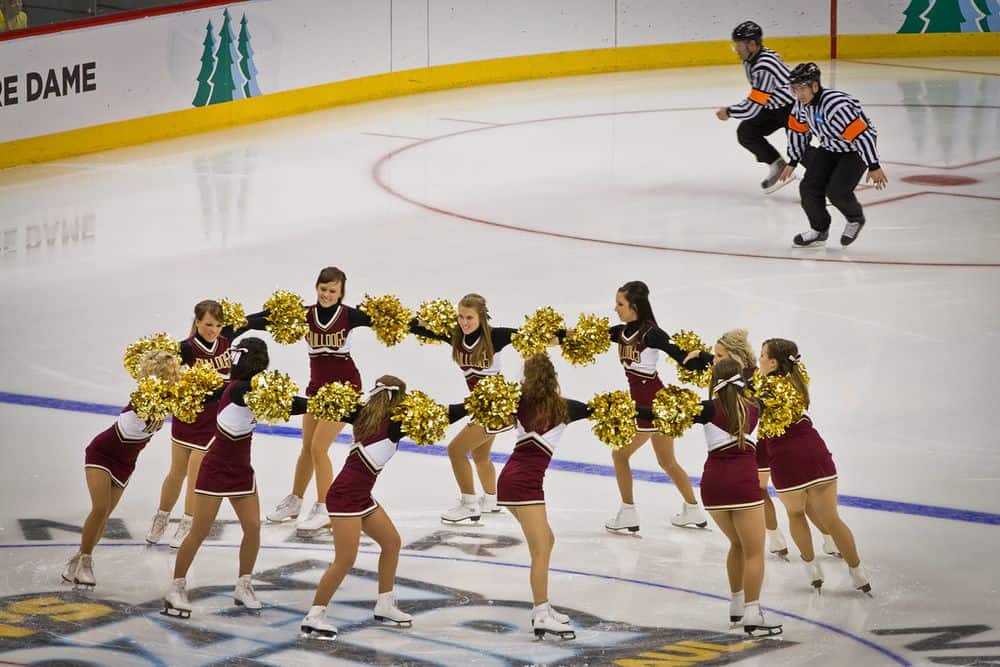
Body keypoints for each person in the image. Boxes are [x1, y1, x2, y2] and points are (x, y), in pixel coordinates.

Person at [300, 377, 468, 640]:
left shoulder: (361, 414)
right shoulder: (393, 425)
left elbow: (318, 406)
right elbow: (442, 415)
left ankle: (385, 605)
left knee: (391, 542)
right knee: (345, 559)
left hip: (360, 495)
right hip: (345, 498)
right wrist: (473, 405)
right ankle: (315, 615)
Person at [163, 338, 308, 618]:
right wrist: (319, 404)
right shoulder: (240, 389)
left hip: (242, 470)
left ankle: (244, 585)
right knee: (199, 531)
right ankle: (176, 588)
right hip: (215, 467)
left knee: (253, 527)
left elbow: (285, 403)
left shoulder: (251, 388)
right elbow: (291, 404)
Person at [683, 329, 839, 559]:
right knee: (782, 497)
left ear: (733, 357)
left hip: (759, 441)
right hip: (760, 440)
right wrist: (702, 356)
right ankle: (807, 538)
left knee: (772, 494)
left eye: (718, 356)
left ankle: (803, 538)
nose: (714, 360)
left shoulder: (752, 379)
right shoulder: (753, 372)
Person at [265, 267, 379, 534]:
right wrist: (236, 324)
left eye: (333, 291)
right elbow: (268, 319)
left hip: (344, 389)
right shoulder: (305, 315)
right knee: (306, 447)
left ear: (341, 293)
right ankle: (295, 500)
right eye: (323, 289)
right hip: (317, 387)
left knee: (319, 448)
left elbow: (393, 322)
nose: (327, 294)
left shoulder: (349, 315)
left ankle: (326, 506)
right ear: (317, 287)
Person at [757, 338, 871, 594]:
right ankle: (858, 573)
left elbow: (753, 408)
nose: (759, 359)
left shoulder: (765, 391)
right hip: (815, 452)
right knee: (832, 519)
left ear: (773, 362)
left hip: (787, 461)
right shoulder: (797, 378)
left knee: (796, 515)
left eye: (762, 355)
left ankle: (812, 571)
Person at [146, 300, 262, 548]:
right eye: (208, 324)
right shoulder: (185, 349)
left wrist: (288, 314)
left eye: (218, 325)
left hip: (214, 419)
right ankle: (162, 516)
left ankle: (187, 523)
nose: (214, 330)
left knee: (196, 470)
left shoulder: (228, 338)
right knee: (177, 471)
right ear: (197, 322)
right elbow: (157, 371)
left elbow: (255, 320)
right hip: (188, 416)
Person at [63, 350, 181, 588]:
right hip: (102, 453)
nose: (177, 375)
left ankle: (78, 558)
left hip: (126, 463)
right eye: (171, 372)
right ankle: (86, 561)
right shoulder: (143, 397)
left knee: (104, 515)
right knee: (99, 508)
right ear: (158, 376)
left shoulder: (174, 397)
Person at [686, 358, 782, 637]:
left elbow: (661, 414)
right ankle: (752, 613)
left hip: (713, 488)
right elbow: (767, 386)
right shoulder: (755, 406)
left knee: (737, 544)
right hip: (743, 486)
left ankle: (737, 606)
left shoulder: (705, 409)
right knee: (753, 552)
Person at [603, 281, 708, 533]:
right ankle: (693, 509)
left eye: (620, 304)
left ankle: (628, 512)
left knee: (619, 455)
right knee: (667, 461)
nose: (616, 308)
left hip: (650, 406)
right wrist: (558, 337)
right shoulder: (621, 332)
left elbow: (681, 357)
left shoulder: (652, 334)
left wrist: (702, 359)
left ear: (635, 306)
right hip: (654, 404)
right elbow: (589, 336)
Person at [497, 354, 590, 640]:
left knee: (546, 540)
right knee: (541, 550)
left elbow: (495, 419)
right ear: (552, 377)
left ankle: (545, 607)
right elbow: (601, 410)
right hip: (524, 484)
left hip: (513, 478)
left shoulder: (517, 402)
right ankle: (540, 614)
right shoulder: (565, 408)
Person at [416, 294, 520, 524]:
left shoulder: (496, 336)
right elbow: (417, 329)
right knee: (480, 454)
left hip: (496, 407)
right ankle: (491, 500)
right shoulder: (455, 336)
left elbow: (532, 335)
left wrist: (565, 337)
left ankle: (469, 504)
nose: (464, 322)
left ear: (481, 316)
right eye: (461, 317)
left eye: (470, 317)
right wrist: (418, 321)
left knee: (456, 450)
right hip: (480, 407)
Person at [779, 62, 889, 248]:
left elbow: (863, 136)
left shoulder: (837, 106)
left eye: (802, 88)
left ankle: (855, 218)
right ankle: (819, 230)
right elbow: (797, 132)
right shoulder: (801, 105)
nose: (798, 94)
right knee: (808, 188)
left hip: (854, 151)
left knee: (837, 192)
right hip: (829, 148)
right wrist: (793, 160)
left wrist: (873, 165)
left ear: (815, 86)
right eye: (795, 89)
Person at [716, 20, 796, 194]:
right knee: (747, 133)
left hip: (793, 109)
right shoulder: (750, 59)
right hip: (773, 107)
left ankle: (829, 184)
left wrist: (729, 112)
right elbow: (758, 98)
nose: (736, 49)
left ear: (752, 45)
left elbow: (752, 107)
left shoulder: (764, 66)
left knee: (799, 149)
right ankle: (779, 166)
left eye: (739, 45)